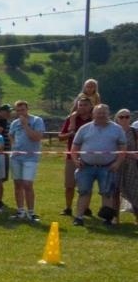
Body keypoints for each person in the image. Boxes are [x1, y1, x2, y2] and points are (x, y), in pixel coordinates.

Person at [69, 103, 128, 226]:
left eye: (104, 113)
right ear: (93, 114)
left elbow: (123, 148)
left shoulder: (117, 129)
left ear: (109, 114)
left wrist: (117, 163)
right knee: (84, 192)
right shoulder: (84, 128)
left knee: (107, 193)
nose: (101, 115)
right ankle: (79, 217)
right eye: (98, 113)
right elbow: (74, 147)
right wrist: (75, 160)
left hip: (108, 167)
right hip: (85, 166)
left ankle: (107, 219)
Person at [59, 83, 97, 215]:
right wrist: (70, 134)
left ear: (91, 107)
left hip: (89, 158)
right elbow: (60, 137)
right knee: (69, 186)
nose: (82, 107)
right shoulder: (71, 119)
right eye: (80, 105)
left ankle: (85, 208)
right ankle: (68, 208)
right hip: (71, 157)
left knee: (87, 186)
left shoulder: (95, 121)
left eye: (85, 105)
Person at [7, 101, 44, 221]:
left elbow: (36, 137)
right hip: (16, 158)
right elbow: (11, 135)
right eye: (18, 111)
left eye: (22, 110)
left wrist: (26, 125)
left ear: (27, 109)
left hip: (31, 157)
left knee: (28, 184)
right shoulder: (14, 123)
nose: (20, 113)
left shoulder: (37, 120)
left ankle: (31, 212)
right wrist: (14, 146)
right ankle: (20, 211)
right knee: (17, 184)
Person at [115, 108, 138, 225]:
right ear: (117, 119)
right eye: (121, 117)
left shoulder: (134, 132)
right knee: (115, 192)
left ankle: (136, 217)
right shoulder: (113, 131)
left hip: (131, 166)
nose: (124, 119)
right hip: (116, 165)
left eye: (127, 117)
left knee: (134, 191)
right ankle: (115, 218)